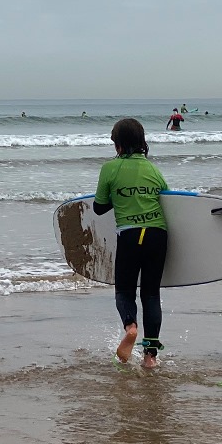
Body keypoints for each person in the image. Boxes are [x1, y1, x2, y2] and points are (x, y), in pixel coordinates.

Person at [93, 118, 168, 370]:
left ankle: (131, 327)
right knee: (151, 294)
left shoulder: (109, 169)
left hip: (130, 235)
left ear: (119, 144)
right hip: (158, 234)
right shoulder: (154, 170)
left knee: (125, 291)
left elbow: (99, 206)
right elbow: (169, 202)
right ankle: (150, 357)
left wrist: (120, 195)